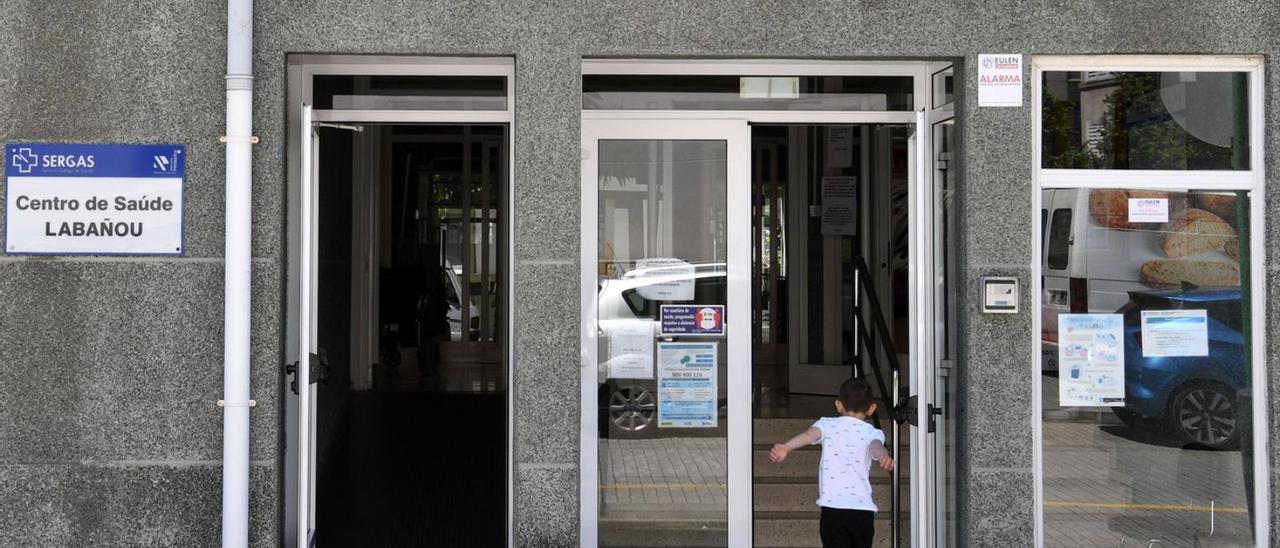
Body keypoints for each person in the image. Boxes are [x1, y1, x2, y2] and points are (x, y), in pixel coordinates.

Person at [770, 377, 894, 548]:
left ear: (839, 405)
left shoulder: (827, 425)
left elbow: (809, 435)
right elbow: (876, 447)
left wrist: (787, 447)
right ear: (872, 408)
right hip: (863, 512)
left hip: (833, 509)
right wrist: (884, 457)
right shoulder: (872, 432)